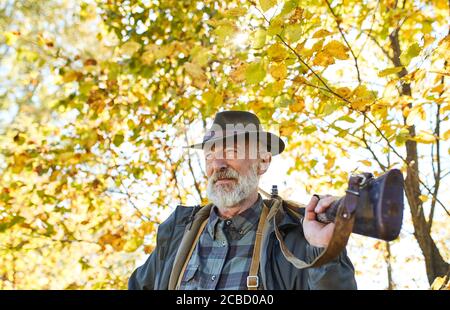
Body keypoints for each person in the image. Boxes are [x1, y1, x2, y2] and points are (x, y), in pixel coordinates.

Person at [128, 110, 357, 290]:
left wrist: (325, 251)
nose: (218, 164)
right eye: (210, 156)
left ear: (263, 162)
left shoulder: (297, 238)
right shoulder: (178, 233)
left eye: (232, 152)